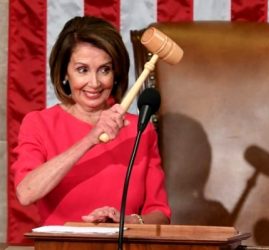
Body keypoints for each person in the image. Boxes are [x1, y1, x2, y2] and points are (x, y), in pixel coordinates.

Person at [11, 16, 171, 226]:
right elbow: (26, 193)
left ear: (116, 74)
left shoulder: (140, 130)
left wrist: (126, 221)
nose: (94, 83)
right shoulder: (39, 123)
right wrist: (90, 139)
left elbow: (160, 214)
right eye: (82, 70)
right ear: (65, 73)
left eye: (104, 69)